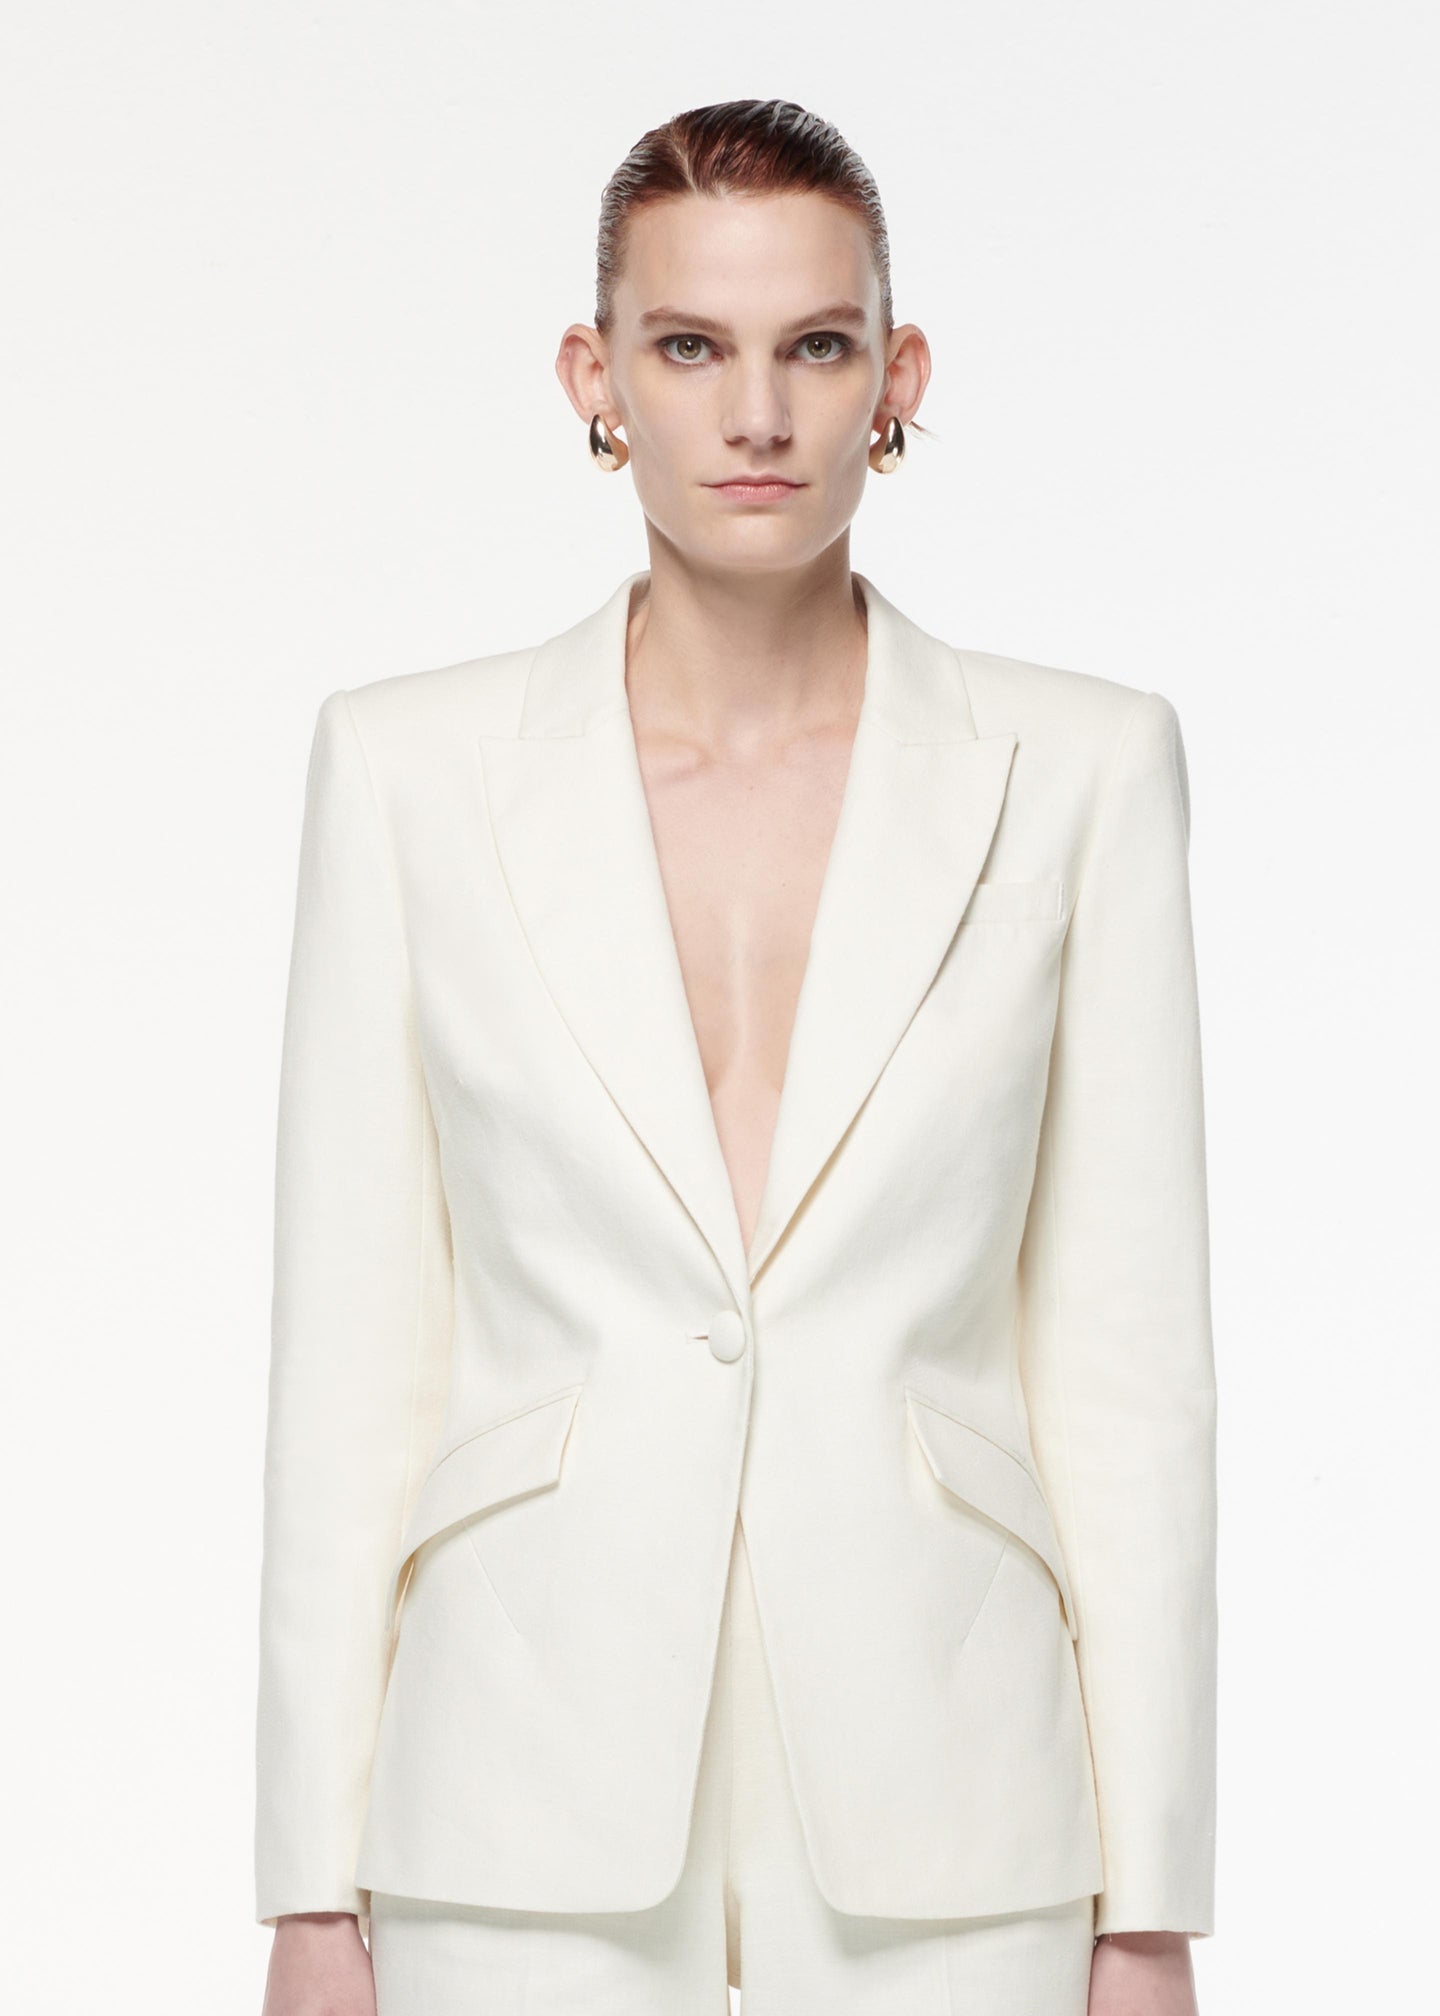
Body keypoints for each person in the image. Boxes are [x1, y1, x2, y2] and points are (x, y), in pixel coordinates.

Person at [256, 97, 1217, 2016]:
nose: (758, 414)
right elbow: (354, 1358)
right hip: (512, 1786)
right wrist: (306, 1882)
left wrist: (1149, 1905)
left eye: (818, 346)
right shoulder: (406, 771)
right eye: (691, 346)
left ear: (897, 379)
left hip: (958, 1797)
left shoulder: (1083, 771)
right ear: (595, 377)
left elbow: (1128, 1369)